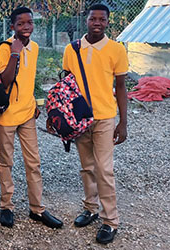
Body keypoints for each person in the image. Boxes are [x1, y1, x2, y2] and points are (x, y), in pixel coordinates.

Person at [49, 3, 128, 244]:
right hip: (79, 118)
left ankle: (110, 220)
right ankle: (91, 208)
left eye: (101, 20)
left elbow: (121, 87)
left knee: (104, 168)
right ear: (86, 20)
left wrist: (123, 122)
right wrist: (56, 116)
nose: (96, 23)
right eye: (93, 19)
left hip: (104, 117)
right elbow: (65, 86)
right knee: (86, 166)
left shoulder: (116, 50)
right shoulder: (71, 50)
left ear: (107, 22)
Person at [0, 7, 63, 229]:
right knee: (7, 162)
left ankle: (37, 208)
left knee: (33, 162)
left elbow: (28, 78)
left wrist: (33, 102)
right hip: (6, 116)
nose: (26, 27)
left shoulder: (34, 48)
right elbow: (4, 81)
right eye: (21, 24)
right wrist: (15, 52)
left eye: (29, 23)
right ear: (12, 25)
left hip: (27, 114)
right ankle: (7, 206)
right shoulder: (4, 48)